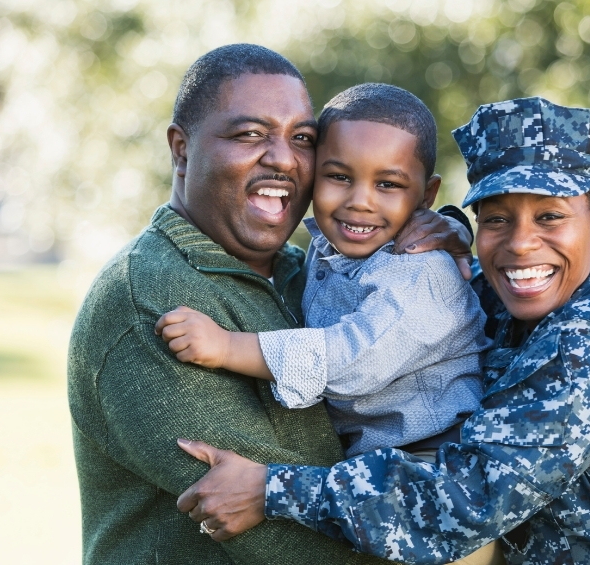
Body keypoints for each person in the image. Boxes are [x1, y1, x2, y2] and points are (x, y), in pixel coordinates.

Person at [175, 97, 590, 564]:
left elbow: (467, 499)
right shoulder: (517, 290)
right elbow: (445, 284)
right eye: (497, 219)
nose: (522, 244)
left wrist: (272, 489)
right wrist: (451, 227)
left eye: (550, 217)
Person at [67, 44, 471, 565]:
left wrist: (454, 232)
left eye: (301, 138)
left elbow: (445, 317)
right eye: (249, 134)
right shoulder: (151, 300)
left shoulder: (309, 268)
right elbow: (277, 538)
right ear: (181, 149)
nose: (283, 158)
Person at [155, 83, 491, 461]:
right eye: (340, 177)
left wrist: (228, 347)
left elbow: (351, 359)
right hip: (372, 458)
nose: (360, 202)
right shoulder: (325, 247)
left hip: (431, 458)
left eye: (387, 184)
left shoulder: (421, 272)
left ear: (427, 196)